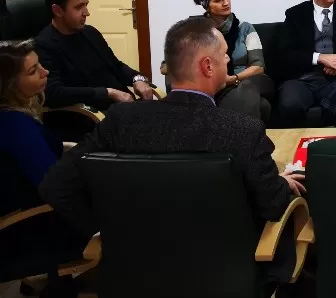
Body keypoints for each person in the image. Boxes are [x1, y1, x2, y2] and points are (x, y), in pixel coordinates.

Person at [39, 16, 305, 297]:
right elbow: (272, 205)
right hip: (223, 279)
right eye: (225, 54)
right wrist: (280, 183)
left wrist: (108, 230)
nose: (228, 60)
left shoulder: (120, 121)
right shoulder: (241, 130)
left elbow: (55, 187)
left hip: (134, 278)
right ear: (207, 66)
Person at [0, 40, 90, 293]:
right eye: (33, 71)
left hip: (24, 212)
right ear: (8, 85)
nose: (45, 72)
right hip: (28, 228)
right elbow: (54, 186)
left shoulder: (12, 117)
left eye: (39, 64)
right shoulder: (16, 126)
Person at [35, 0, 155, 112]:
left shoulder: (90, 33)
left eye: (86, 5)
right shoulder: (44, 45)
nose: (87, 13)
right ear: (57, 10)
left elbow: (116, 66)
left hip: (124, 109)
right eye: (79, 7)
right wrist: (108, 92)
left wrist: (137, 78)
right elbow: (54, 93)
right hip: (92, 116)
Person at [190, 0, 273, 122]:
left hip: (251, 80)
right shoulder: (199, 32)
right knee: (262, 105)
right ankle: (246, 133)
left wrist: (233, 79)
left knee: (247, 87)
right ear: (207, 6)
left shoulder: (245, 28)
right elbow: (169, 66)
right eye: (218, 0)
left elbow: (258, 66)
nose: (226, 3)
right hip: (217, 86)